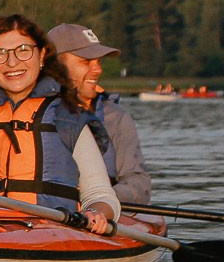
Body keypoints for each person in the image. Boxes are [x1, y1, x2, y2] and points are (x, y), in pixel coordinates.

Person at [0, 14, 119, 234]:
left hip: (50, 234)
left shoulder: (68, 117)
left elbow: (100, 194)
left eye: (23, 50)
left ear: (41, 55)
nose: (12, 63)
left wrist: (95, 212)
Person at [48, 22, 151, 206]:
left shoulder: (116, 118)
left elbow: (139, 184)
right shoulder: (33, 114)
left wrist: (99, 198)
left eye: (99, 61)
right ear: (55, 66)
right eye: (86, 61)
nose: (98, 69)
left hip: (100, 213)